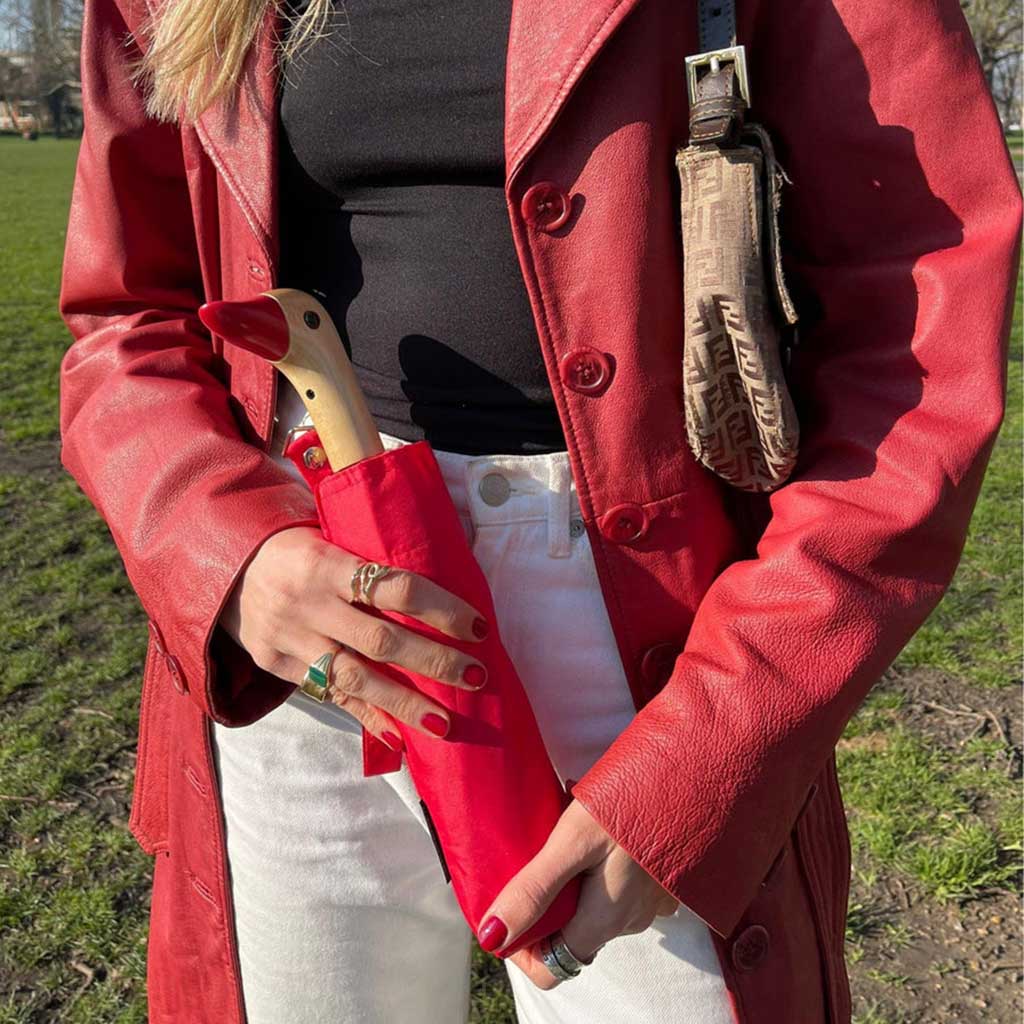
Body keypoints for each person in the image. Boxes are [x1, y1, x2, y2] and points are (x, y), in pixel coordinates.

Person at [56, 0, 1022, 1021]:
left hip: (658, 637)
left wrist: (708, 754)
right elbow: (129, 311)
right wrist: (227, 552)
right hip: (302, 602)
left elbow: (916, 320)